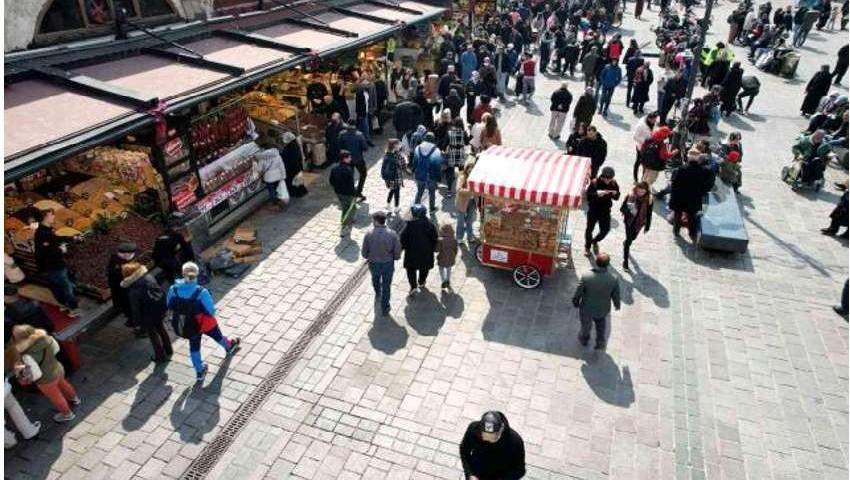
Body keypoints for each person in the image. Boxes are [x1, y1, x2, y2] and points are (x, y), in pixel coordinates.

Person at [166, 262, 241, 383]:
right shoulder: (201, 292)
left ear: (183, 274)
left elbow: (169, 305)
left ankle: (200, 371)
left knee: (194, 347)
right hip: (205, 322)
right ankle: (229, 347)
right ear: (196, 274)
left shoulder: (173, 289)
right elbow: (211, 311)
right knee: (218, 336)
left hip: (188, 324)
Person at [11, 325, 80, 422]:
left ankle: (67, 414)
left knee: (56, 397)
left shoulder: (26, 355)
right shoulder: (45, 339)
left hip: (46, 380)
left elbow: (31, 371)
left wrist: (18, 368)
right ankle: (75, 399)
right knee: (65, 385)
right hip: (57, 368)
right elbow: (56, 349)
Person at [120, 262, 172, 363]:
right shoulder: (149, 277)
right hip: (160, 308)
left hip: (148, 314)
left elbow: (135, 310)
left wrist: (137, 325)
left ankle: (160, 356)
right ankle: (169, 349)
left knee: (153, 335)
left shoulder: (133, 291)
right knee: (161, 328)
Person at [34, 209, 79, 317]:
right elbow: (45, 252)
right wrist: (61, 250)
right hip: (54, 266)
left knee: (56, 287)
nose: (54, 217)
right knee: (66, 287)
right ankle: (73, 308)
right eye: (51, 215)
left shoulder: (46, 230)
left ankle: (64, 304)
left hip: (50, 267)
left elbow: (55, 239)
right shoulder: (42, 233)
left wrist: (71, 238)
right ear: (45, 217)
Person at [572, 253, 621, 352]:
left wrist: (575, 301)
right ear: (608, 264)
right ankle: (600, 342)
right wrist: (617, 305)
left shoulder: (586, 276)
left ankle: (584, 339)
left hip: (587, 309)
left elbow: (578, 292)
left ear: (596, 262)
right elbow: (616, 295)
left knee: (586, 326)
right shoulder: (613, 279)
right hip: (603, 309)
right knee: (601, 326)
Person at [459, 411, 526, 480]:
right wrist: (470, 474)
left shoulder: (515, 441)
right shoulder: (473, 429)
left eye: (494, 438)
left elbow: (520, 470)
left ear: (502, 428)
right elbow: (464, 450)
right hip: (476, 474)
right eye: (485, 438)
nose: (490, 441)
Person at [361, 211, 402, 316]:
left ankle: (377, 292)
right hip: (388, 264)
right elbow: (397, 250)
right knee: (386, 286)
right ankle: (385, 307)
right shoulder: (392, 234)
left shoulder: (369, 234)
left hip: (374, 263)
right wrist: (395, 257)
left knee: (375, 279)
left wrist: (368, 256)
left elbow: (364, 253)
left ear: (376, 221)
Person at [670, 153, 715, 241]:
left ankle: (676, 231)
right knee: (691, 216)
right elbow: (707, 185)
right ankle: (692, 233)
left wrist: (673, 196)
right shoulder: (703, 171)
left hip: (680, 197)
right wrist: (701, 192)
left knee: (678, 215)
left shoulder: (681, 169)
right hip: (694, 198)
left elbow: (674, 183)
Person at [400, 204, 438, 296]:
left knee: (410, 269)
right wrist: (432, 248)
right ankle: (421, 281)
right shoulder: (430, 225)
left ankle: (413, 286)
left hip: (412, 252)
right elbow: (435, 238)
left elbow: (403, 239)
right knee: (424, 267)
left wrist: (403, 247)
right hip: (426, 252)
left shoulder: (409, 226)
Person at [584, 167, 621, 255]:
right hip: (593, 209)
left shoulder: (613, 183)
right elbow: (588, 197)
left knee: (605, 230)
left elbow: (616, 198)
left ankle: (594, 241)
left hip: (605, 210)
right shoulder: (595, 182)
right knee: (589, 229)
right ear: (602, 176)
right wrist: (597, 194)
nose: (608, 180)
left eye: (610, 178)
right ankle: (587, 247)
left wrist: (616, 194)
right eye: (606, 178)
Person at [620, 182, 653, 272]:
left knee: (632, 238)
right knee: (628, 241)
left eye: (643, 191)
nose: (640, 193)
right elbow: (622, 208)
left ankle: (626, 242)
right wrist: (630, 212)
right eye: (639, 190)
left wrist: (647, 226)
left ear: (646, 191)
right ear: (636, 189)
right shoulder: (630, 196)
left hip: (639, 223)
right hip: (629, 222)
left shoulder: (649, 199)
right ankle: (625, 262)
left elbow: (649, 213)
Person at [107, 242, 139, 332]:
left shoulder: (116, 258)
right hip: (121, 288)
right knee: (128, 305)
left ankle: (132, 319)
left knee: (129, 305)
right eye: (130, 254)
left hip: (123, 288)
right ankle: (132, 319)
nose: (132, 255)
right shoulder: (118, 263)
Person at [338, 119, 369, 202]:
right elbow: (365, 148)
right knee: (363, 174)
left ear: (347, 124)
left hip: (346, 159)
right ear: (355, 125)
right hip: (358, 159)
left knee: (349, 175)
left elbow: (339, 147)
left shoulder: (342, 134)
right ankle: (358, 192)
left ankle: (350, 191)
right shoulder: (360, 135)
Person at [640, 126, 679, 190]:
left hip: (646, 162)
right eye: (667, 135)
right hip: (655, 165)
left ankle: (641, 187)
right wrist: (674, 153)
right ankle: (645, 191)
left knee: (645, 177)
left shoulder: (651, 138)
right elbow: (664, 156)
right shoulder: (662, 144)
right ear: (664, 135)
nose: (668, 136)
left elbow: (642, 148)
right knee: (650, 181)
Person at [329, 150, 358, 238]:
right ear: (344, 159)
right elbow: (351, 185)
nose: (350, 159)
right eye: (349, 157)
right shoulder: (348, 170)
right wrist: (355, 194)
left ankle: (349, 220)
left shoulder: (334, 168)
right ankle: (344, 227)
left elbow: (331, 181)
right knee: (349, 209)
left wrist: (337, 188)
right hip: (348, 194)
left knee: (346, 207)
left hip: (339, 193)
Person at [413, 132, 443, 211]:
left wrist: (414, 170)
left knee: (420, 191)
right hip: (431, 175)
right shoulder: (436, 150)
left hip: (420, 174)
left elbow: (415, 161)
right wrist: (439, 177)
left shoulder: (418, 148)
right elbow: (438, 165)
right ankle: (432, 208)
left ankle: (415, 207)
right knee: (432, 192)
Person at [255, 143, 287, 208]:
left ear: (263, 149)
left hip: (269, 177)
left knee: (271, 190)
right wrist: (283, 175)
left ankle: (275, 203)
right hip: (278, 176)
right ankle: (280, 200)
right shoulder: (277, 155)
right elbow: (281, 166)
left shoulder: (262, 158)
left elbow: (259, 169)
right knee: (278, 189)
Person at [455, 161, 478, 244]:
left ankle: (470, 236)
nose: (470, 170)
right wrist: (470, 191)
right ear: (466, 168)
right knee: (460, 221)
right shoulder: (462, 177)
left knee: (470, 220)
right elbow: (458, 189)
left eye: (472, 168)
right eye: (469, 168)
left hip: (472, 202)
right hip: (462, 202)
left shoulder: (476, 178)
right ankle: (459, 237)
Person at [381, 139, 406, 213]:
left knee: (392, 190)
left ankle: (388, 205)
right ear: (395, 146)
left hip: (389, 178)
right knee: (397, 192)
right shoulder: (399, 156)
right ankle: (396, 207)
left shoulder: (386, 154)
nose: (400, 145)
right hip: (396, 177)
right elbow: (403, 167)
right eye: (399, 144)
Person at [632, 112, 658, 182]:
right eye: (654, 120)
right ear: (649, 119)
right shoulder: (641, 125)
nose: (655, 121)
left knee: (646, 164)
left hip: (648, 148)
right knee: (638, 162)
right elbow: (635, 136)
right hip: (641, 147)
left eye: (655, 120)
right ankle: (635, 179)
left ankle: (643, 180)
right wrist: (645, 141)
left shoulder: (653, 123)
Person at [437, 224, 459, 291]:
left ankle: (443, 280)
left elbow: (437, 249)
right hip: (451, 257)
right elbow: (456, 249)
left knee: (441, 269)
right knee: (449, 269)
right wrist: (454, 255)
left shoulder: (440, 240)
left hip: (442, 257)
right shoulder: (454, 240)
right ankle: (448, 280)